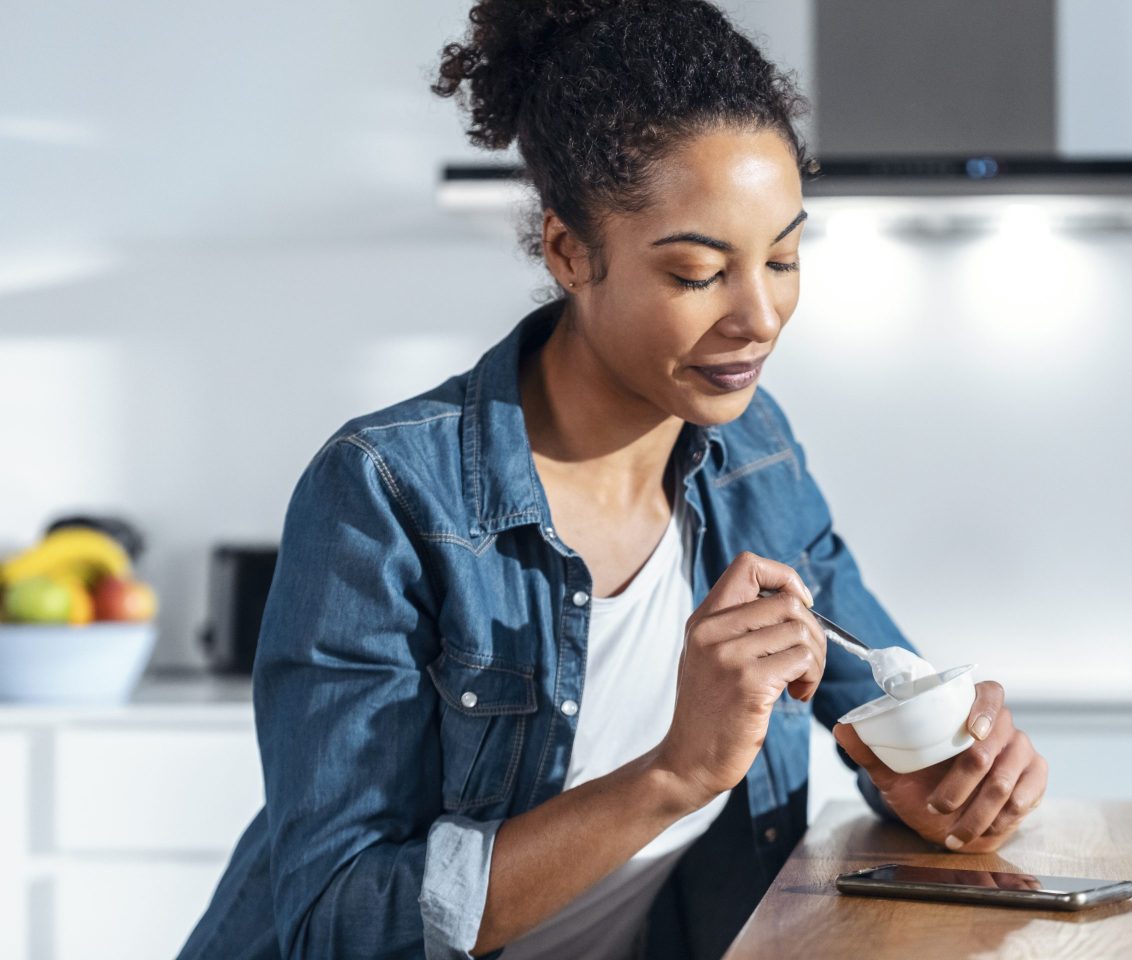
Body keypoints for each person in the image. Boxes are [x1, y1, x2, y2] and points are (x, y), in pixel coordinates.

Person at [177, 1, 1047, 958]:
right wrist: (674, 774)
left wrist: (931, 773)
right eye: (696, 273)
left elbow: (879, 698)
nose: (759, 316)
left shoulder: (755, 456)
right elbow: (339, 923)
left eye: (784, 257)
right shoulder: (386, 496)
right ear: (568, 254)